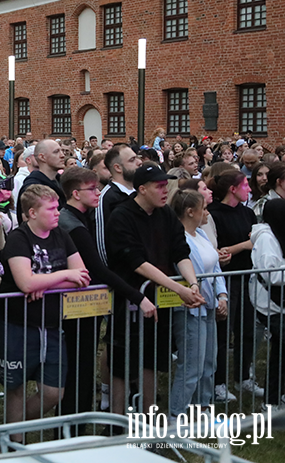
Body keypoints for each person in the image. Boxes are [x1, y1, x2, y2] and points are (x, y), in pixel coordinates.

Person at [57, 168, 156, 430]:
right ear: (76, 193)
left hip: (86, 305)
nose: (99, 193)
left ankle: (76, 427)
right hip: (76, 308)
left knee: (82, 368)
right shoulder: (72, 224)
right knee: (78, 370)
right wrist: (138, 296)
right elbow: (97, 269)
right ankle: (71, 430)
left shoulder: (83, 218)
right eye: (93, 189)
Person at [105, 163, 205, 415]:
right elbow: (136, 261)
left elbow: (180, 252)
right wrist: (178, 288)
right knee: (122, 363)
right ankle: (116, 423)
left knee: (151, 360)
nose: (165, 191)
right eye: (159, 186)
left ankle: (149, 419)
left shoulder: (166, 214)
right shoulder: (121, 215)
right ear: (142, 189)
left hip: (161, 300)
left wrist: (192, 284)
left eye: (165, 186)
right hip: (130, 298)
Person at [0, 185, 89, 441]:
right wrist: (59, 276)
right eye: (51, 208)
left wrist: (44, 282)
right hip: (18, 323)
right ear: (32, 213)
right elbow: (26, 283)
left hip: (51, 323)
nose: (58, 212)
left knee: (53, 391)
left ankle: (9, 429)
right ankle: (15, 444)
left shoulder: (61, 235)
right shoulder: (19, 238)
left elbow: (81, 276)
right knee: (15, 386)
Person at [169, 189, 228, 418]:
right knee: (191, 365)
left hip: (210, 305)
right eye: (203, 208)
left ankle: (202, 407)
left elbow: (215, 268)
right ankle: (176, 415)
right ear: (190, 212)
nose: (207, 213)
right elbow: (194, 272)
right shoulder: (181, 239)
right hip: (191, 309)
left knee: (208, 361)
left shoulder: (201, 234)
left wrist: (222, 296)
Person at [207, 170, 264, 401]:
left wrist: (241, 246)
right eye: (245, 185)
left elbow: (256, 241)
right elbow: (217, 249)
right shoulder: (213, 214)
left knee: (247, 329)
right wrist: (243, 245)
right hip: (225, 280)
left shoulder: (248, 212)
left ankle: (244, 377)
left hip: (246, 277)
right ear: (233, 189)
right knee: (223, 332)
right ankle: (218, 382)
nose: (249, 189)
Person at [249, 198, 285, 409]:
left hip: (279, 300)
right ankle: (271, 401)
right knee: (280, 350)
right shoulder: (266, 238)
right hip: (268, 303)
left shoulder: (278, 233)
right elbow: (271, 273)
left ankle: (279, 394)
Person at [17, 140, 65, 222]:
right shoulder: (32, 187)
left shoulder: (62, 182)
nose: (62, 155)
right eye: (56, 152)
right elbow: (28, 221)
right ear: (42, 157)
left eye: (62, 151)